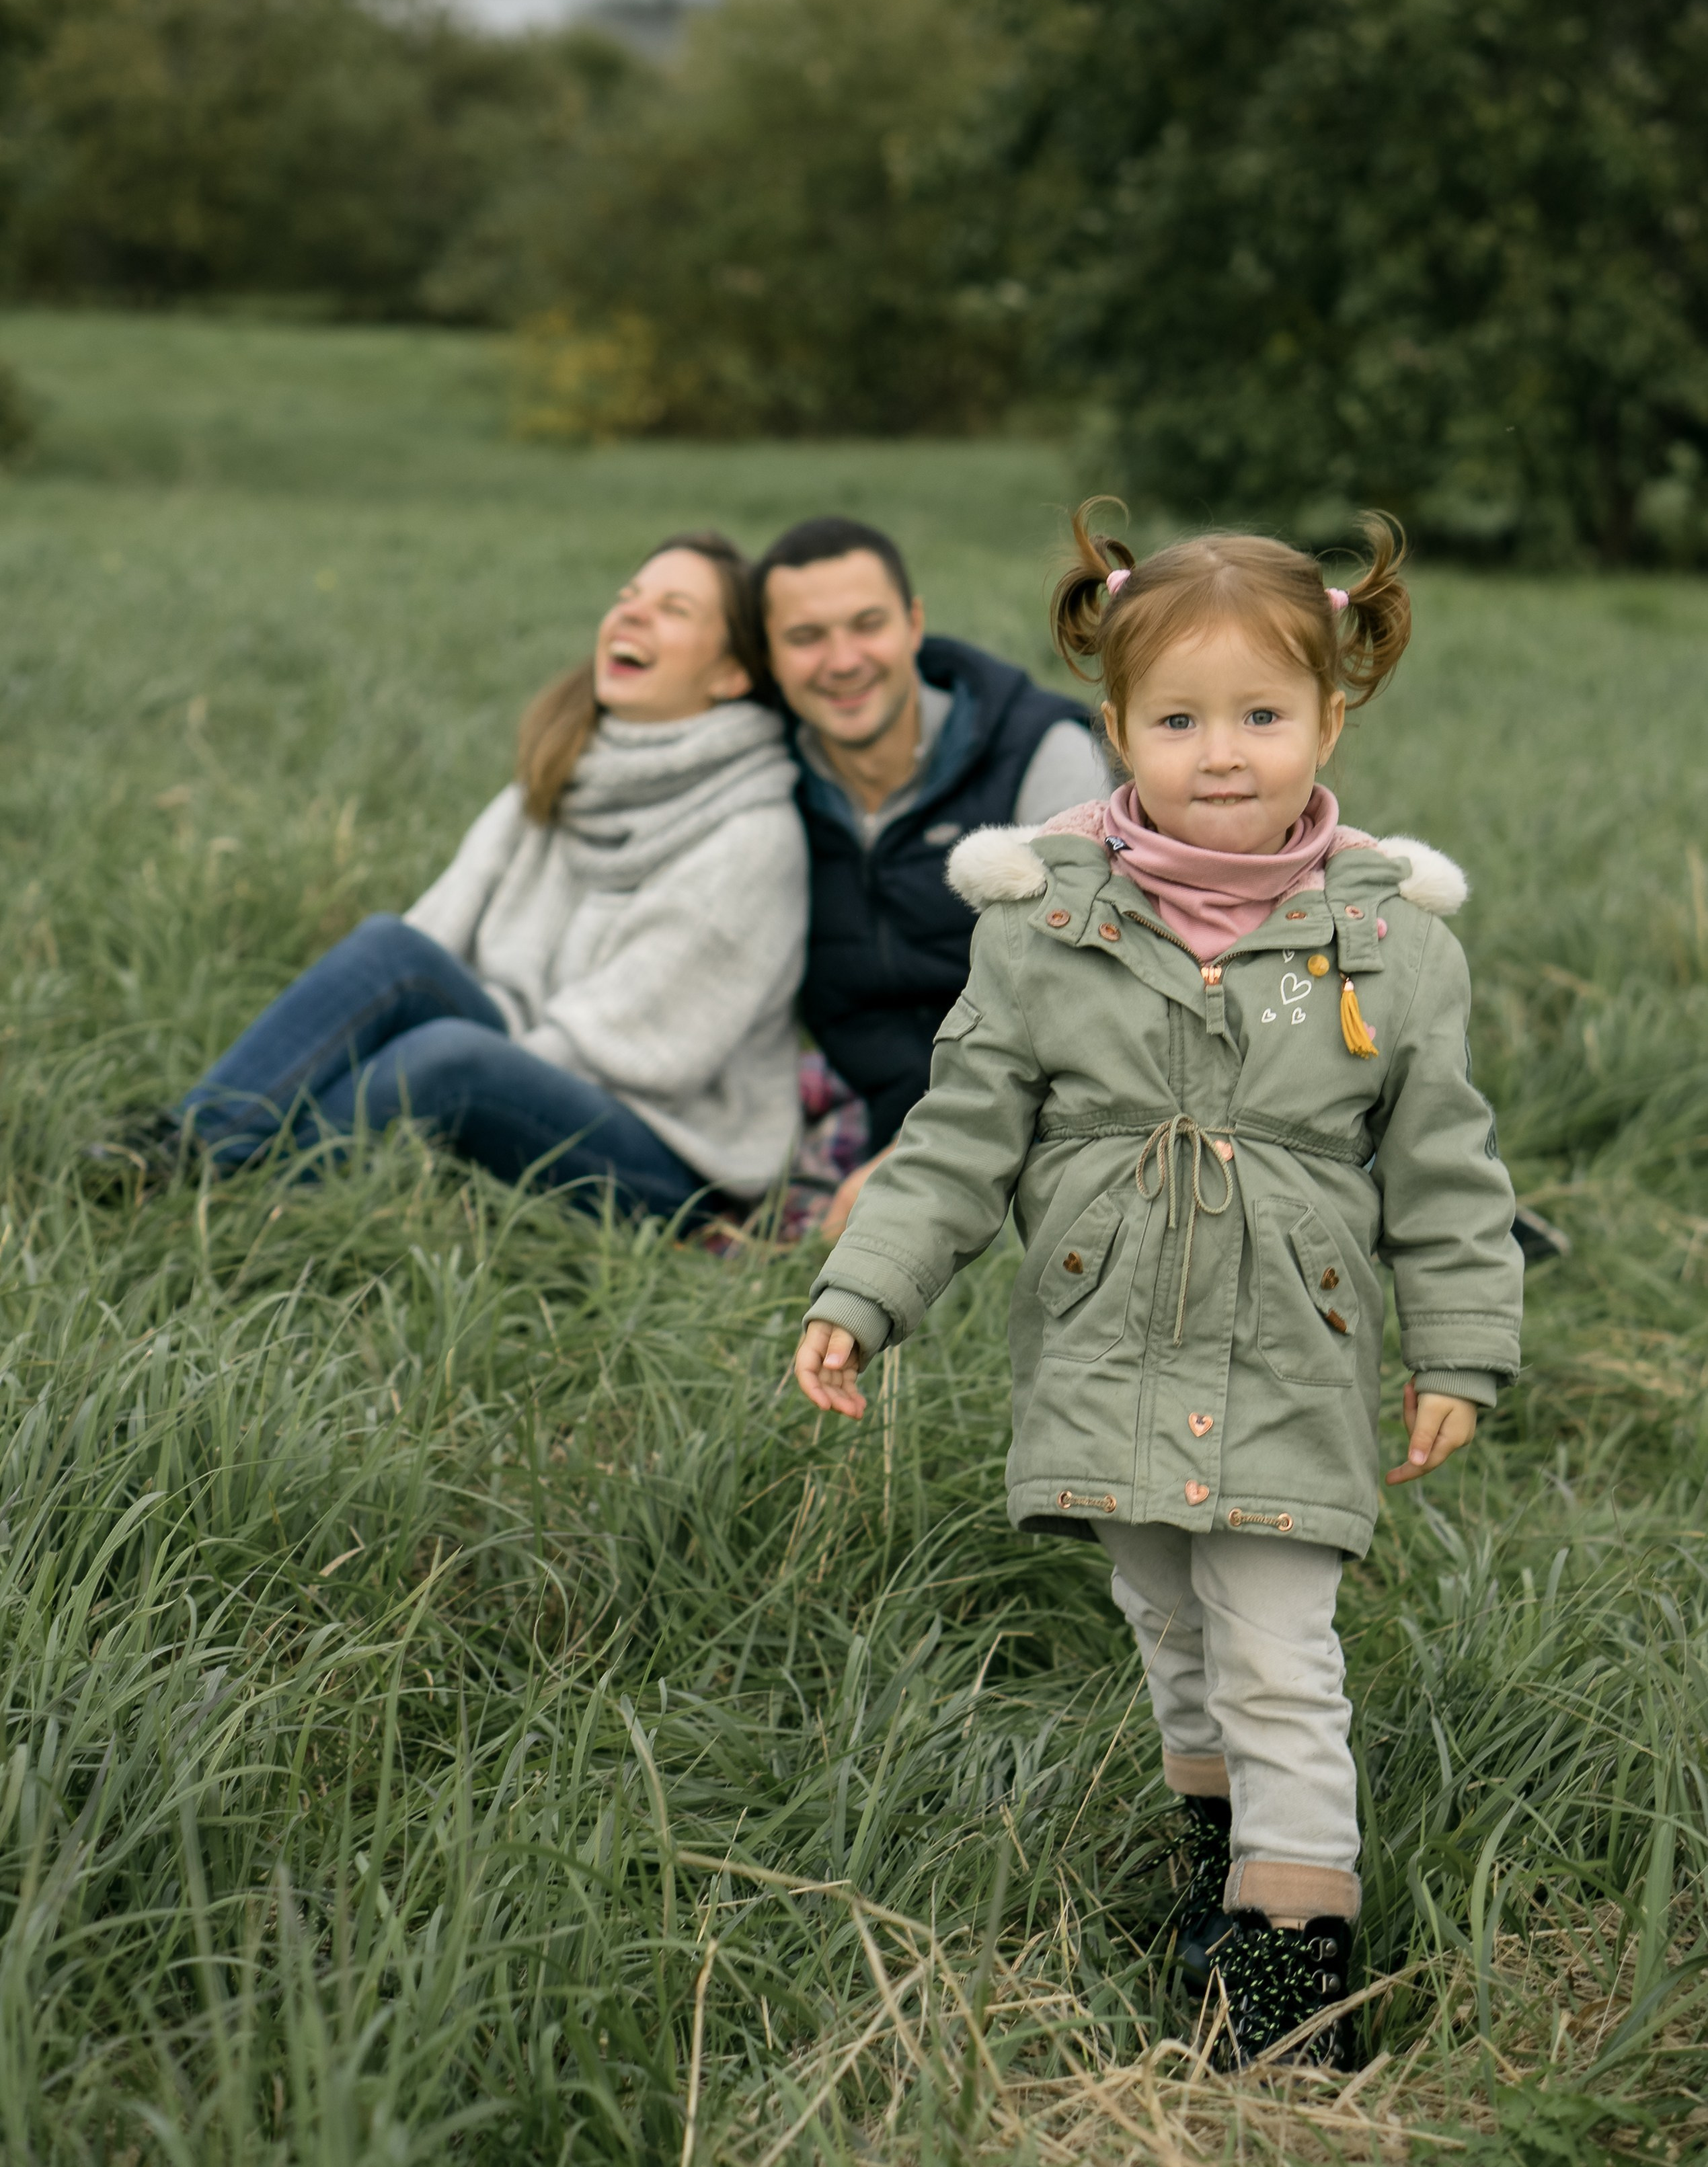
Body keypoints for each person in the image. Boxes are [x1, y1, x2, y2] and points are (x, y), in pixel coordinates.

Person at [793, 506, 1524, 2067]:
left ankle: (1286, 1981)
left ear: (1330, 716)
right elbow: (954, 1144)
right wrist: (863, 1293)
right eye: (1175, 719)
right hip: (1101, 1349)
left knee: (1274, 1661)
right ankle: (1213, 1870)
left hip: (1287, 1359)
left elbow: (1446, 1172)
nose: (1218, 753)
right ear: (1110, 728)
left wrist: (1455, 1348)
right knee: (1170, 1632)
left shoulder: (1388, 946)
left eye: (1259, 715)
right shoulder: (1043, 928)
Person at [133, 534, 807, 1222]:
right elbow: (428, 945)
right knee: (386, 948)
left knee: (447, 1058)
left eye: (674, 609)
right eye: (627, 598)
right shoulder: (566, 771)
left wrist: (465, 1053)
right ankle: (178, 1153)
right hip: (528, 1057)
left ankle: (242, 1213)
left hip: (670, 1157)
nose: (630, 616)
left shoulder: (754, 837)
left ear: (731, 674)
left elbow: (641, 1049)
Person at [756, 515, 1108, 1234]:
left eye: (866, 624)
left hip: (1032, 1112)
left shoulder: (1042, 757)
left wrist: (914, 1158)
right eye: (804, 638)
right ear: (767, 655)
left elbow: (1082, 1009)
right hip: (864, 1093)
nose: (841, 659)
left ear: (913, 623)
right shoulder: (763, 781)